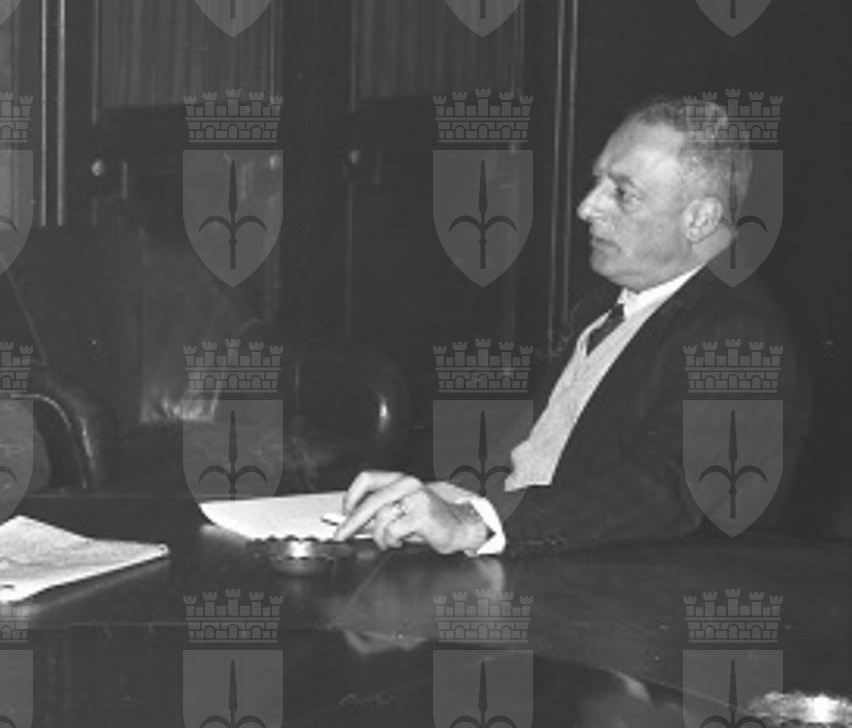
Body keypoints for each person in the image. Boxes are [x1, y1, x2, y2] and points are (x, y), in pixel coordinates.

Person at [335, 95, 807, 554]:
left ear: (700, 219)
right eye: (597, 182)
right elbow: (540, 461)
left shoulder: (742, 334)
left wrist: (472, 523)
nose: (587, 207)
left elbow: (669, 488)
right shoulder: (602, 306)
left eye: (622, 193)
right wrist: (436, 496)